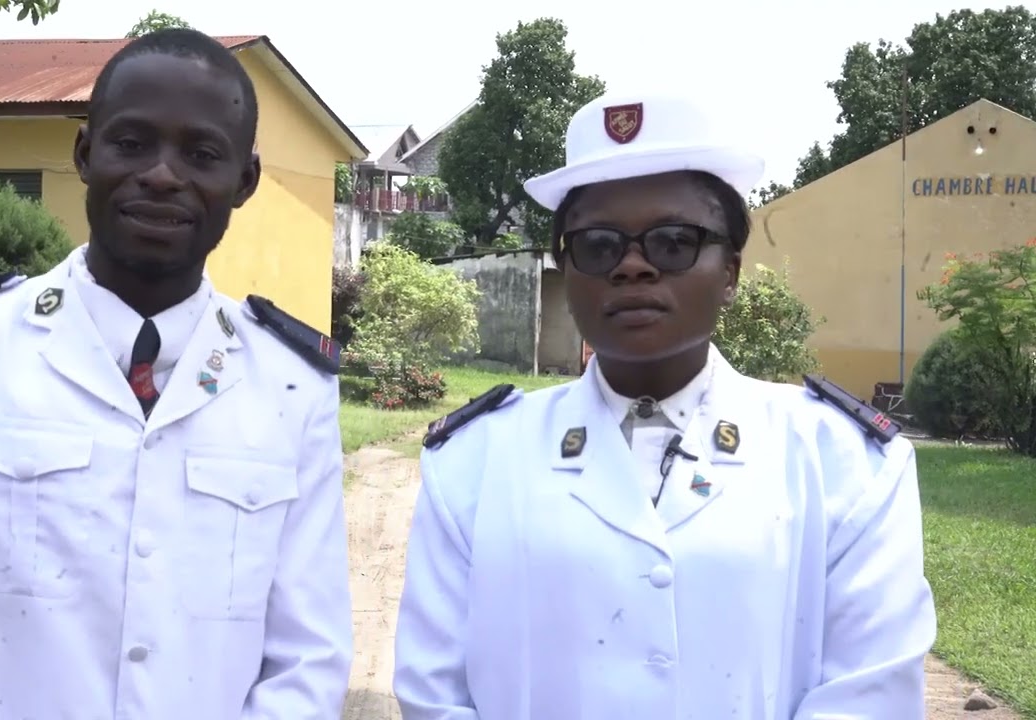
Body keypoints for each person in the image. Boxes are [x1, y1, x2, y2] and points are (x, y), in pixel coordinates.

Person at [392, 90, 936, 719]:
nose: (631, 267)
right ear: (569, 272)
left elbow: (870, 696)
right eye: (597, 245)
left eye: (672, 241)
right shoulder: (473, 464)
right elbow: (436, 694)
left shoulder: (845, 466)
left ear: (730, 270)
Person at [0, 28, 352, 719]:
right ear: (85, 155)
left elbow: (307, 658)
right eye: (131, 143)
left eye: (202, 153)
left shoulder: (292, 387)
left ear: (244, 181)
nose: (162, 174)